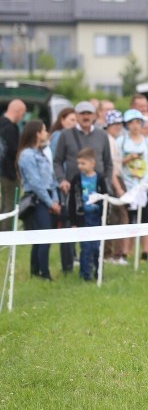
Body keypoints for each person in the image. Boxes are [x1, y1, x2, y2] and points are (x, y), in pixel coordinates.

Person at [53, 101, 114, 273]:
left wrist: (106, 183)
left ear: (94, 115)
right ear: (77, 116)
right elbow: (57, 160)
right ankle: (68, 266)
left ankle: (95, 266)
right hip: (74, 190)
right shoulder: (66, 134)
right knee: (70, 224)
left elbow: (108, 162)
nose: (86, 117)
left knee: (97, 229)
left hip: (97, 189)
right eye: (82, 113)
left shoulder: (102, 135)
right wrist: (61, 179)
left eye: (89, 113)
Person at [16, 120, 60, 280]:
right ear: (37, 134)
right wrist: (50, 202)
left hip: (47, 196)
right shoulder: (27, 155)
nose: (47, 133)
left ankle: (35, 270)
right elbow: (35, 183)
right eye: (44, 130)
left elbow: (51, 178)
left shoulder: (41, 152)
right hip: (37, 199)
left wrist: (55, 199)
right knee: (44, 235)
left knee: (41, 235)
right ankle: (43, 272)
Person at [117, 108, 148, 260]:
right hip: (128, 187)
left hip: (144, 188)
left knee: (145, 219)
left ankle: (145, 252)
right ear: (126, 125)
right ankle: (125, 251)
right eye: (131, 123)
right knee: (128, 219)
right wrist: (128, 159)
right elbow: (116, 163)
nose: (135, 126)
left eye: (137, 122)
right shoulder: (121, 142)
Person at [66, 147, 108, 281]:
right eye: (78, 163)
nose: (80, 166)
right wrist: (73, 222)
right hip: (82, 218)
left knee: (97, 247)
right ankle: (85, 275)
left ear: (92, 163)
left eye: (83, 163)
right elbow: (72, 201)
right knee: (85, 247)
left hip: (96, 217)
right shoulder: (77, 179)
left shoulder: (100, 178)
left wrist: (105, 216)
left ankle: (98, 272)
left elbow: (106, 197)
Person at [103, 109, 129, 265]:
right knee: (117, 217)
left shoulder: (113, 140)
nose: (118, 127)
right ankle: (114, 254)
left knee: (116, 217)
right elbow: (110, 167)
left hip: (117, 178)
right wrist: (118, 188)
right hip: (114, 181)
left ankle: (111, 253)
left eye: (120, 124)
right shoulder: (109, 141)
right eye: (115, 124)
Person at [0, 98, 27, 232]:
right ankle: (5, 235)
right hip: (9, 172)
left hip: (1, 171)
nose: (22, 117)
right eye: (22, 114)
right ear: (17, 111)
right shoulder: (11, 128)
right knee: (10, 205)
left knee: (3, 203)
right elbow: (13, 151)